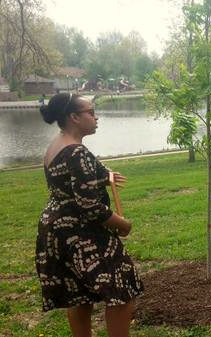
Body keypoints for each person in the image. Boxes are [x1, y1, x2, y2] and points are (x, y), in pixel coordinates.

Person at [36, 93, 143, 337]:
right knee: (121, 289)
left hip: (55, 231)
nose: (96, 118)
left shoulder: (56, 145)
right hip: (79, 232)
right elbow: (89, 206)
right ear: (74, 117)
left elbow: (67, 181)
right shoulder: (76, 152)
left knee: (79, 294)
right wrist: (122, 224)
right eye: (91, 112)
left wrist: (103, 177)